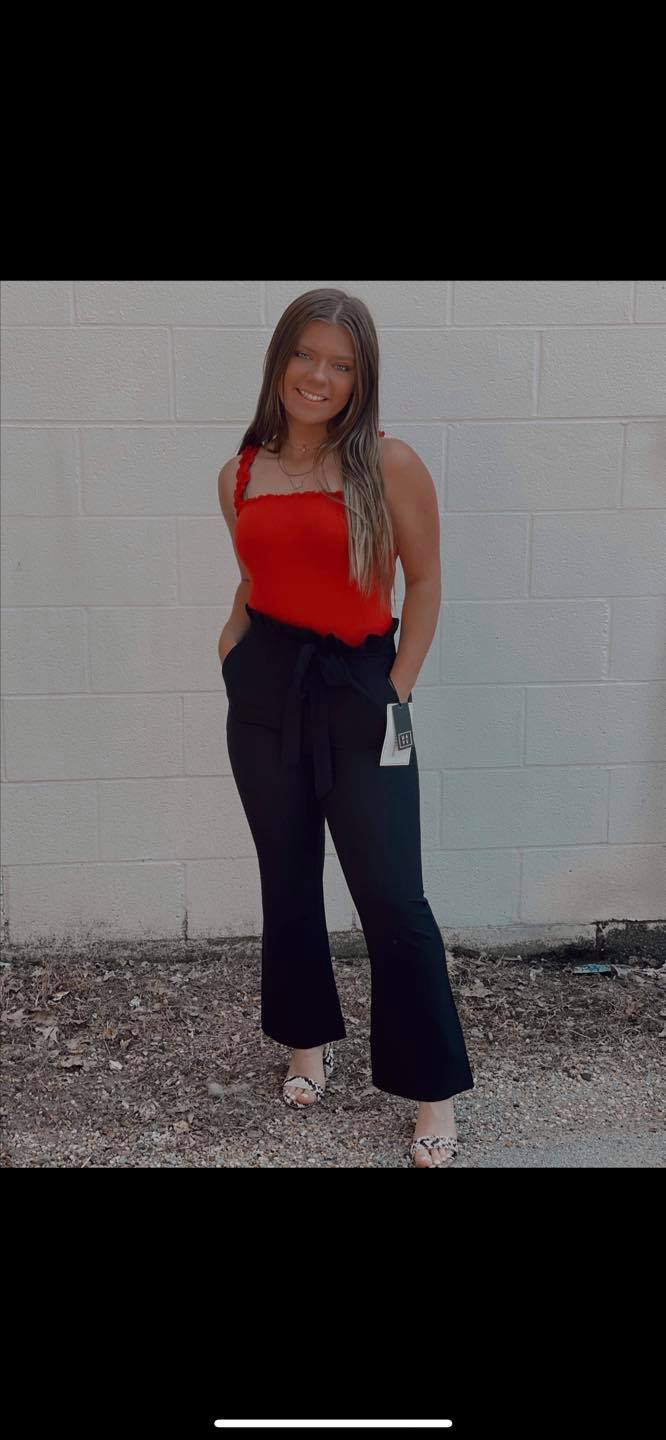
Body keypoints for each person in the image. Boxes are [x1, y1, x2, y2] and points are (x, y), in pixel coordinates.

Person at [216, 287, 474, 1167]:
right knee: (287, 879)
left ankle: (433, 1091)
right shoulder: (241, 470)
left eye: (341, 364)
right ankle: (305, 1045)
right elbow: (256, 576)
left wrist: (395, 688)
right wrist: (230, 650)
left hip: (362, 688)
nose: (318, 376)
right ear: (279, 359)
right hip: (265, 693)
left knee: (393, 897)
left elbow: (425, 582)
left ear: (362, 379)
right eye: (305, 354)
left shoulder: (387, 464)